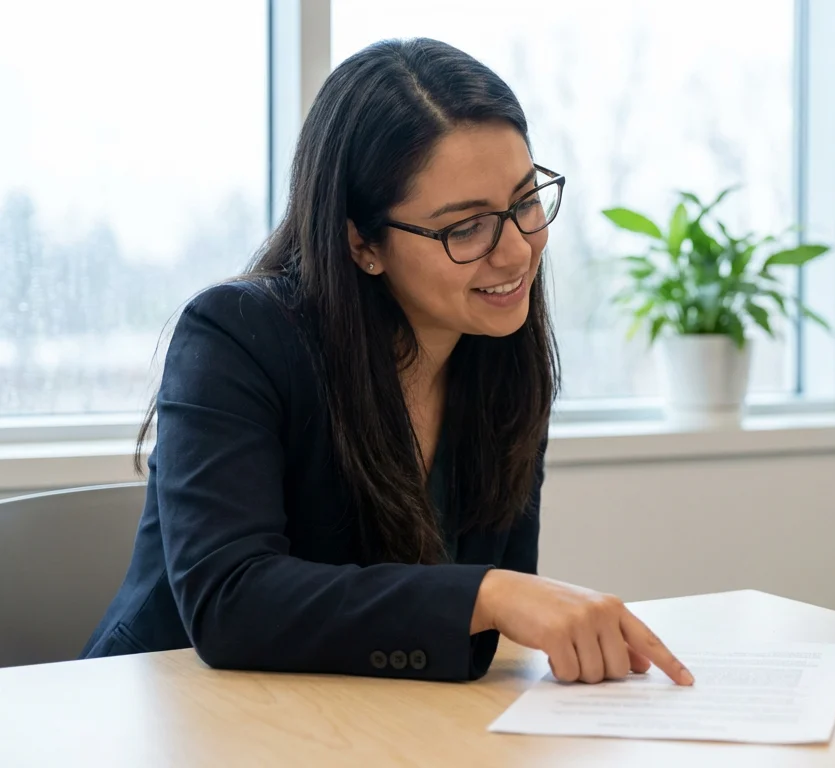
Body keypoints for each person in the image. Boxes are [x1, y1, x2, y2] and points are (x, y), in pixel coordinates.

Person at [82, 38, 693, 688]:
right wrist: (485, 595)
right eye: (466, 228)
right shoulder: (235, 337)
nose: (516, 253)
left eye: (525, 202)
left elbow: (478, 645)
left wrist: (501, 607)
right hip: (163, 714)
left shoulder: (499, 348)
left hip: (360, 723)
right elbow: (231, 601)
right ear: (362, 243)